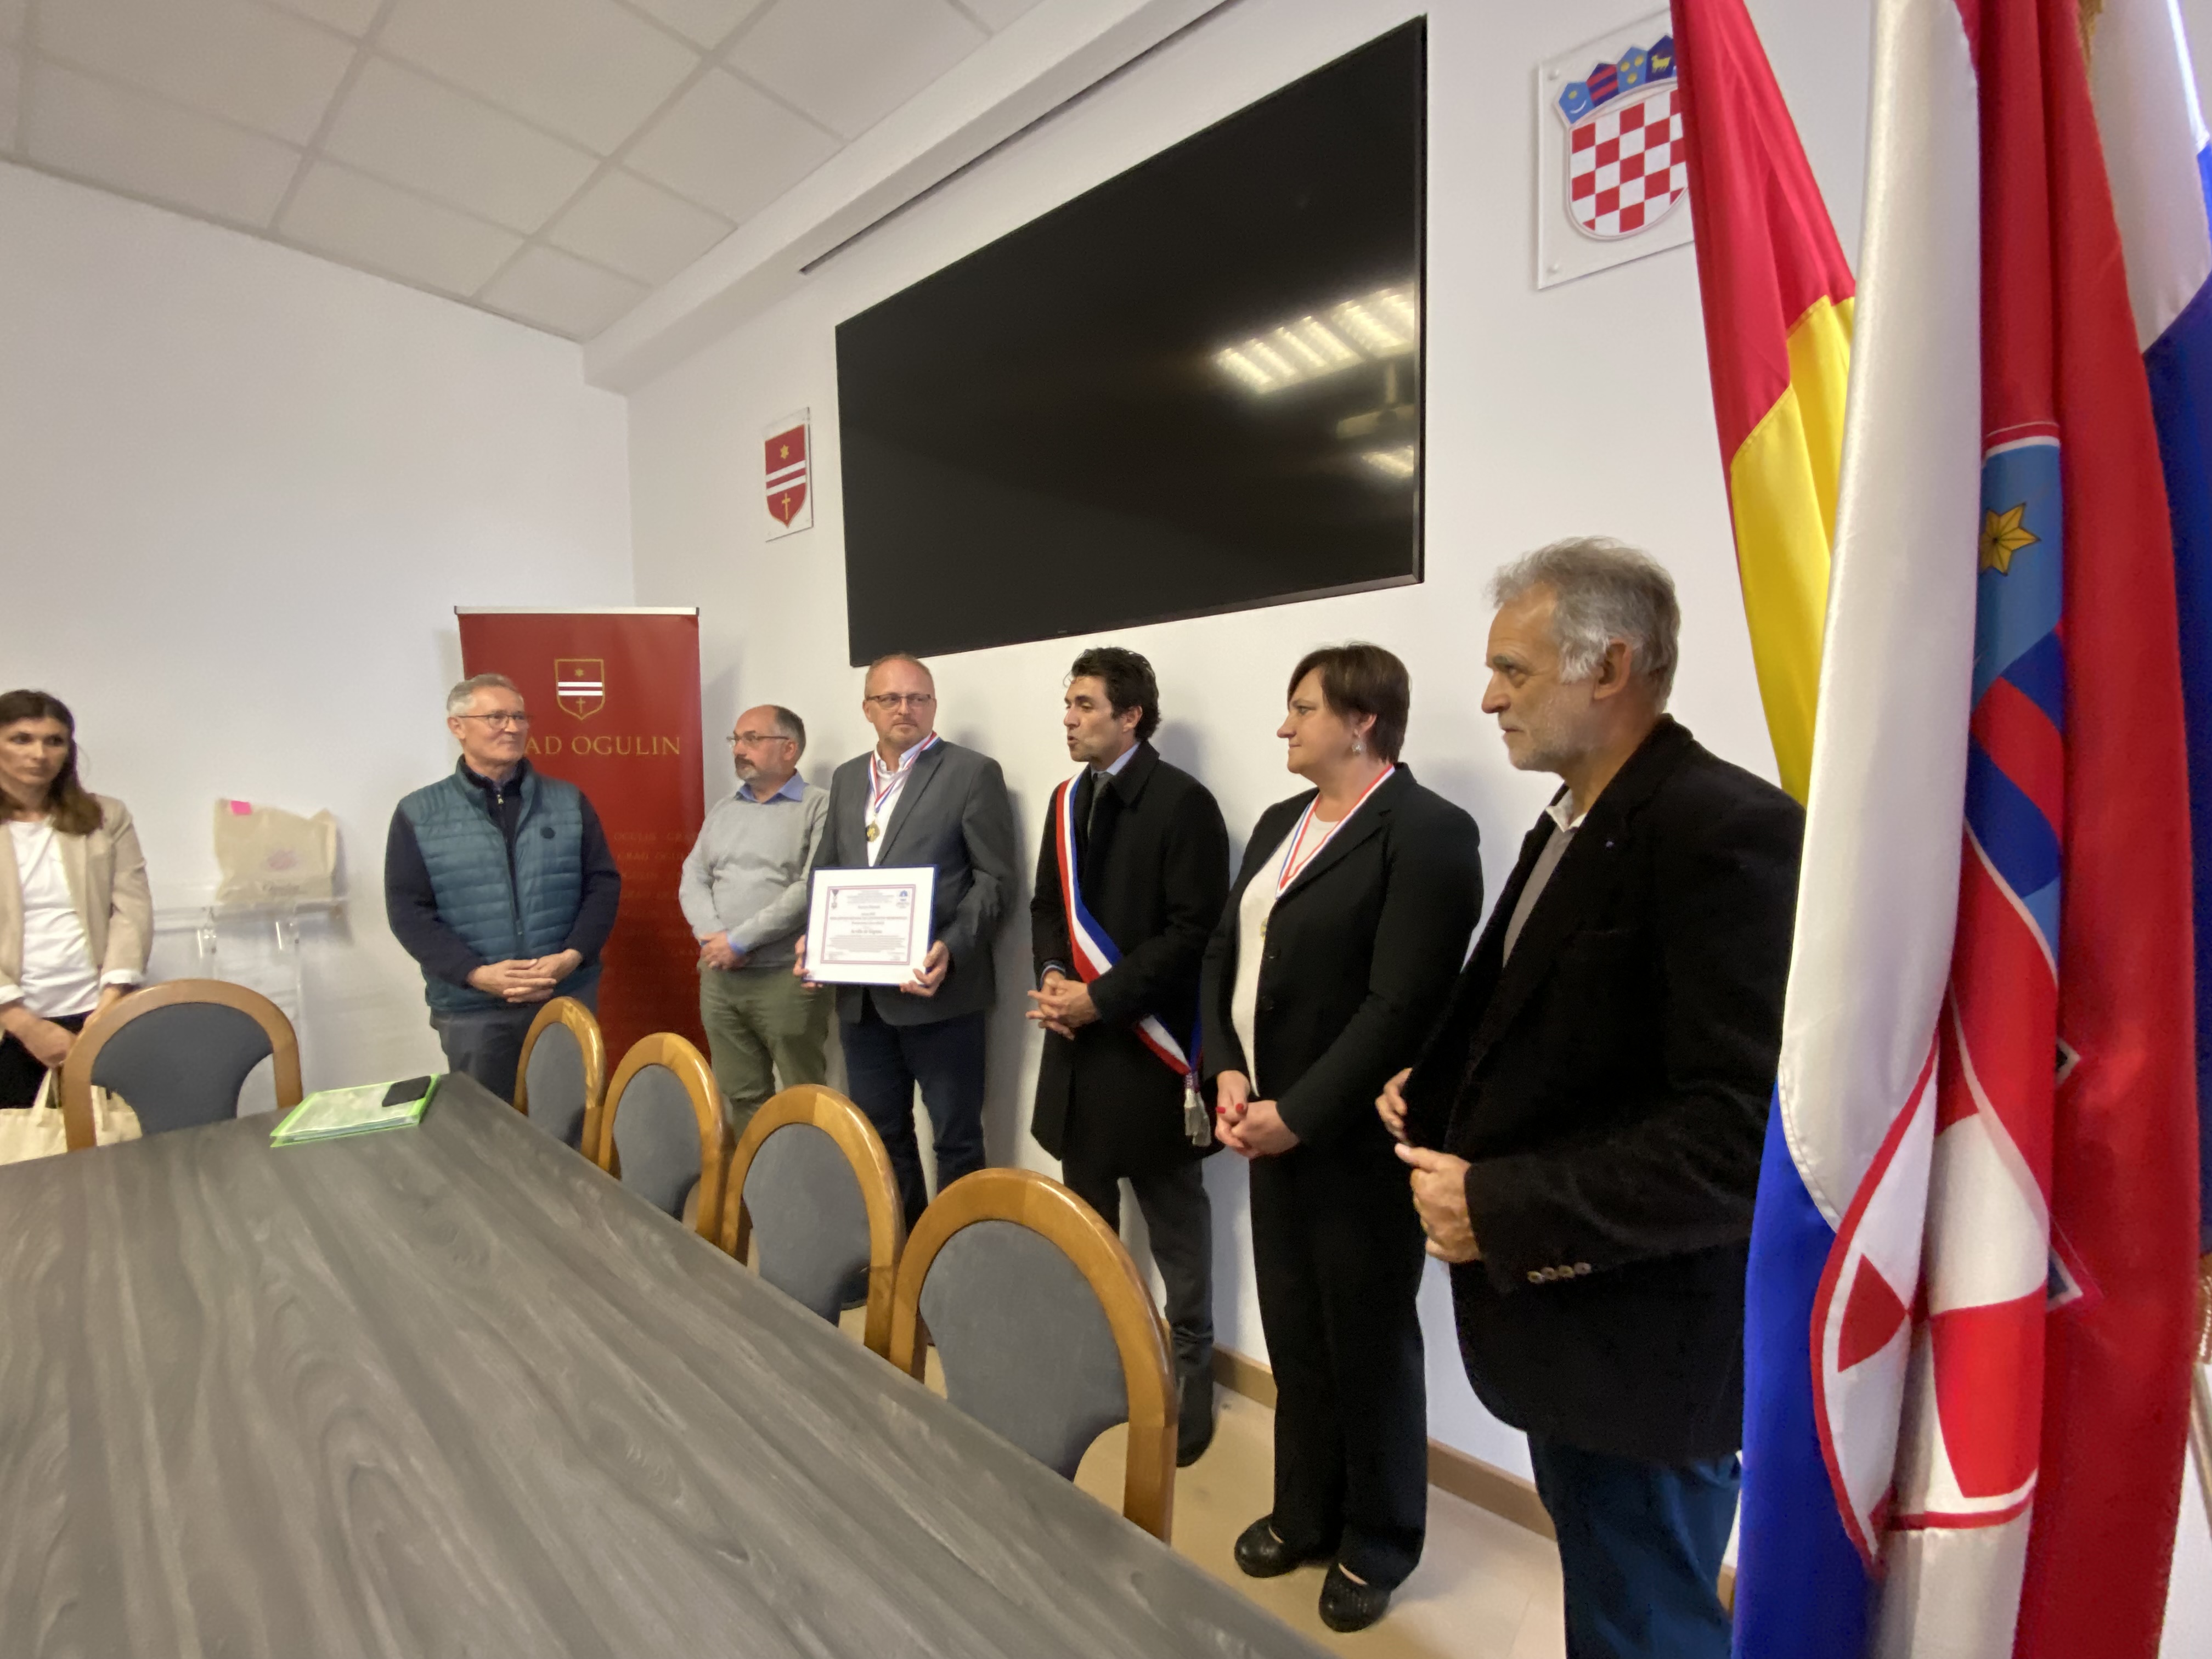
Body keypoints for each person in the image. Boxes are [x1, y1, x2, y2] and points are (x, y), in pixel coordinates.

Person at [1380, 539, 1802, 1659]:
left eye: (1514, 672)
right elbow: (1550, 1024)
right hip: (1574, 1334)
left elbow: (1740, 1136)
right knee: (1611, 1606)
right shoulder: (1577, 813)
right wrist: (1430, 1093)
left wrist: (1504, 1208)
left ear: (1609, 666)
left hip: (1647, 1348)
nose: (1487, 698)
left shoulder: (1724, 832)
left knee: (1645, 1620)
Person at [1200, 642, 1482, 1633]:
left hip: (1350, 1142)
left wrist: (1299, 1110)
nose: (1284, 726)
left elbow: (1401, 1004)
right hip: (1264, 1123)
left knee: (1366, 1342)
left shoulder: (1429, 833)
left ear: (1363, 720)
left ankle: (1378, 1537)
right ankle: (1303, 1509)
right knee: (1295, 1334)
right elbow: (1224, 953)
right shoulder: (1281, 822)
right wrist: (1227, 1070)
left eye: (1303, 707)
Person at [1028, 647, 1231, 1466]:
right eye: (1068, 704)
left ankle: (1190, 1382)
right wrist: (1051, 975)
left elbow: (1194, 933)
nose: (1069, 718)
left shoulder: (1184, 805)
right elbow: (1049, 905)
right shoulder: (1064, 799)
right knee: (1088, 1220)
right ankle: (1103, 1359)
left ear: (1130, 715)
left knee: (1177, 1230)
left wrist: (1099, 998)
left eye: (1084, 705)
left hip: (1150, 1054)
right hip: (1078, 1052)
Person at [802, 654, 1018, 1230]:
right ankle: (910, 1255)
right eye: (892, 699)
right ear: (868, 708)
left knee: (956, 1138)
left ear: (934, 706)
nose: (906, 709)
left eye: (918, 698)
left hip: (939, 993)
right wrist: (815, 939)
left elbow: (995, 881)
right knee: (881, 1134)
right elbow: (829, 871)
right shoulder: (849, 778)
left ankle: (962, 1264)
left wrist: (951, 948)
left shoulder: (973, 773)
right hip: (862, 1001)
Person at [385, 674, 622, 1105]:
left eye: (519, 716)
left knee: (569, 1123)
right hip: (473, 1008)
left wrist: (572, 956)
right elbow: (409, 911)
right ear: (457, 726)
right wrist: (477, 974)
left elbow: (602, 885)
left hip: (562, 993)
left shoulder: (568, 801)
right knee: (487, 1129)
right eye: (496, 716)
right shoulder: (419, 813)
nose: (512, 728)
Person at [680, 704, 832, 1139]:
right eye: (736, 740)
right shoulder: (725, 810)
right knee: (742, 1095)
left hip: (785, 978)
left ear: (790, 748)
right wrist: (713, 938)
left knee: (803, 1097)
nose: (739, 749)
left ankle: (807, 1197)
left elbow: (812, 888)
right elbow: (693, 876)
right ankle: (756, 1196)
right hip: (720, 976)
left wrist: (740, 941)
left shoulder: (820, 807)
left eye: (751, 739)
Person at [0, 691, 151, 1108]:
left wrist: (111, 1003)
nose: (40, 754)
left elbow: (132, 909)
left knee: (113, 1149)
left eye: (55, 741)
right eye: (21, 739)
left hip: (97, 1012)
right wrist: (23, 1024)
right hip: (10, 1025)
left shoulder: (106, 816)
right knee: (24, 1163)